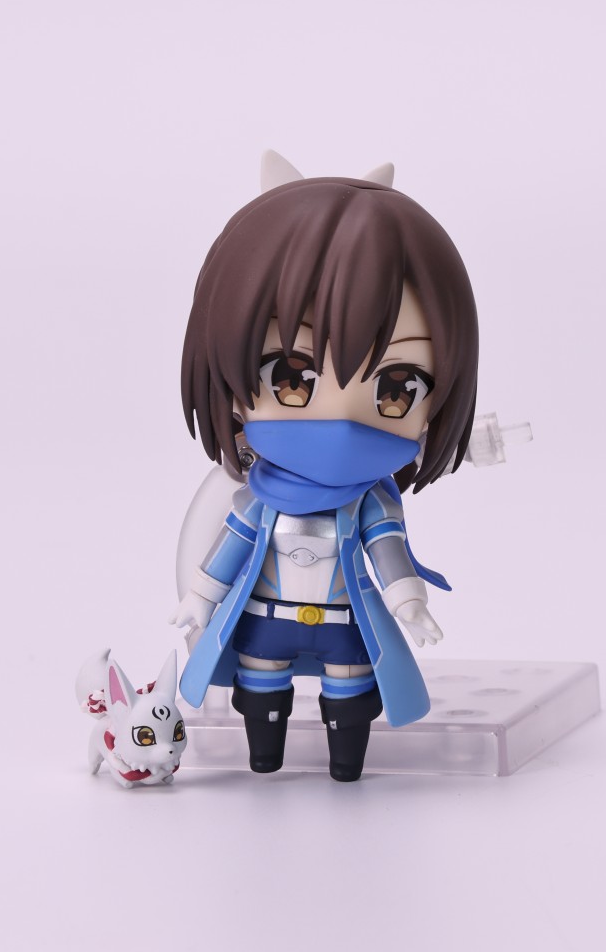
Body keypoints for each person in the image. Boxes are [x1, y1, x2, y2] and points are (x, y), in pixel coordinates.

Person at [172, 153, 480, 781]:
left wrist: (409, 601)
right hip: (267, 623)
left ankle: (347, 764)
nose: (339, 423)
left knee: (351, 695)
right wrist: (198, 600)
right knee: (261, 688)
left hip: (346, 625)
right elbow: (227, 553)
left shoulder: (369, 500)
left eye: (398, 387)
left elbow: (389, 551)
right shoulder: (258, 496)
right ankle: (264, 755)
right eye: (291, 375)